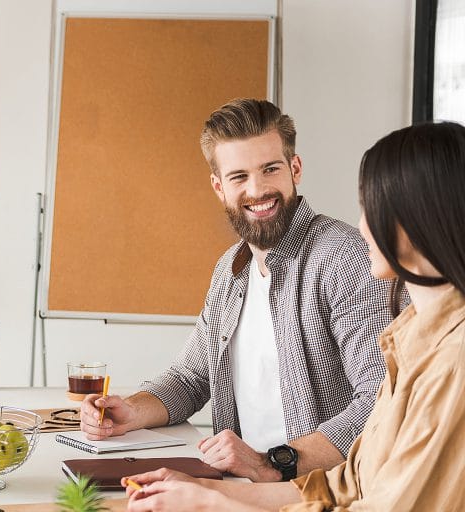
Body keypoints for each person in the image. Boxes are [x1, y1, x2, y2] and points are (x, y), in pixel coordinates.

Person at [124, 121, 465, 511]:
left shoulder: (448, 356)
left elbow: (378, 487)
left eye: (374, 208)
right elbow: (350, 481)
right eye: (239, 176)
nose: (362, 226)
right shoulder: (409, 340)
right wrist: (212, 491)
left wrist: (231, 495)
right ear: (219, 186)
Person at [80, 99, 392, 482]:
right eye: (239, 176)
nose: (257, 190)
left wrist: (271, 463)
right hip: (239, 487)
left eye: (270, 169)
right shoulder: (230, 271)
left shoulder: (345, 257)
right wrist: (131, 411)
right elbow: (190, 377)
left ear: (295, 169)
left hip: (320, 493)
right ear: (219, 187)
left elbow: (384, 399)